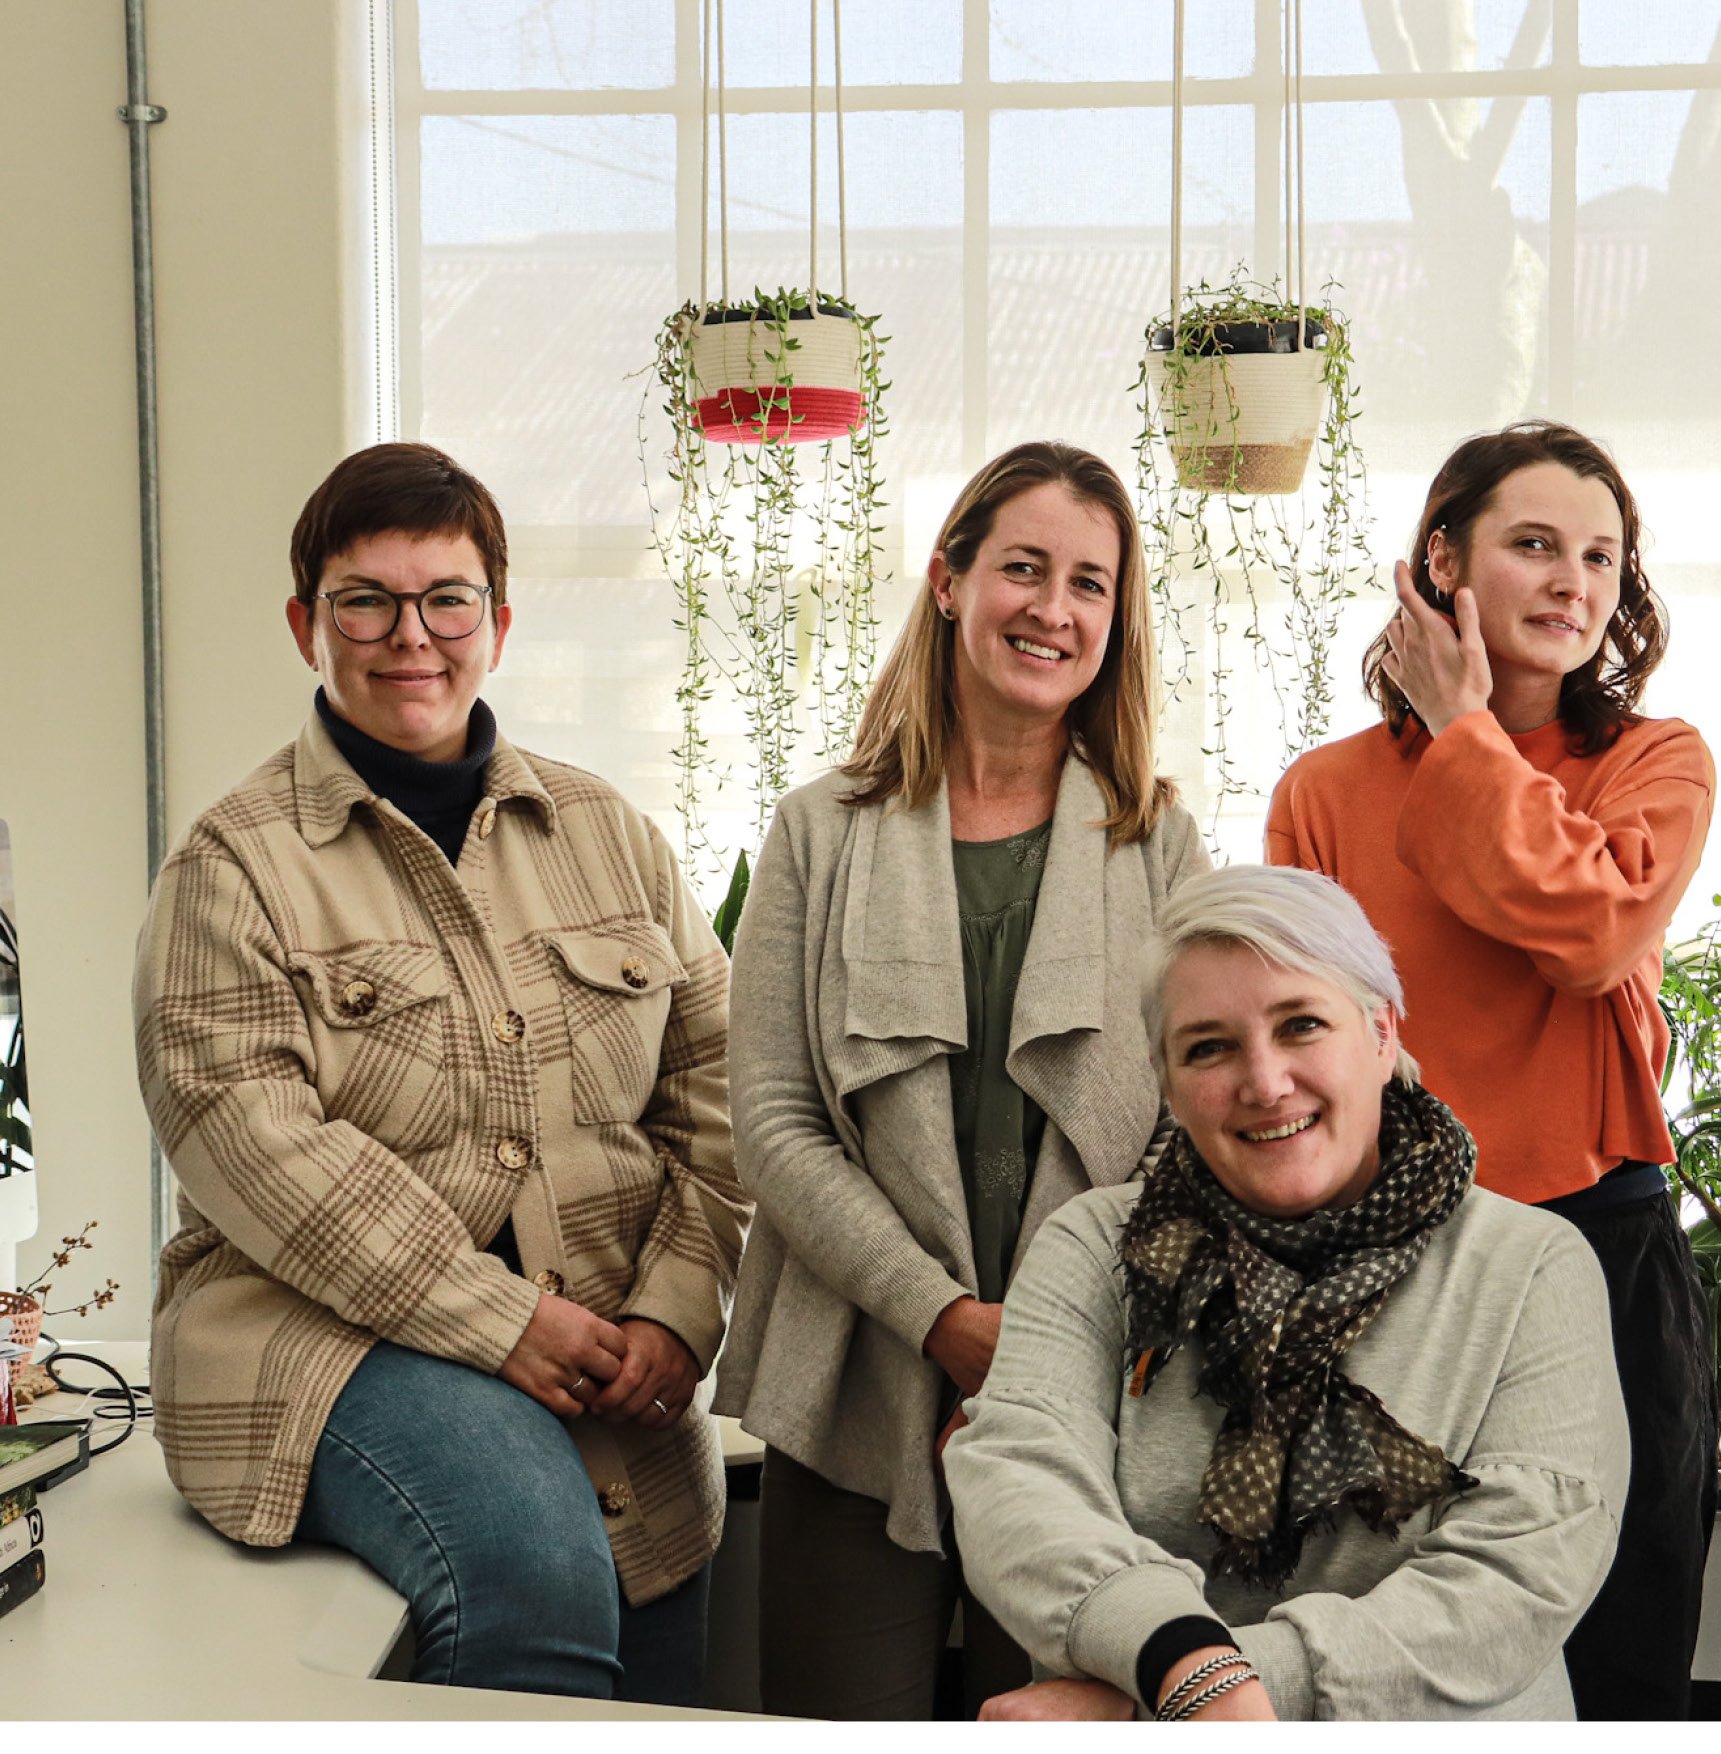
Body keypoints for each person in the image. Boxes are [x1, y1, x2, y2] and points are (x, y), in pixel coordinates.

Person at [132, 442, 745, 1702]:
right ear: (308, 623)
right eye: (366, 599)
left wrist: (678, 1312)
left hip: (609, 1354)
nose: (409, 634)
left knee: (665, 1595)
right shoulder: (230, 869)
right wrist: (504, 1322)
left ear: (497, 624)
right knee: (529, 1559)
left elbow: (724, 1093)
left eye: (446, 598)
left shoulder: (612, 836)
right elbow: (256, 1145)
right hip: (323, 1340)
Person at [714, 441, 1209, 1720]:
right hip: (855, 1381)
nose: (1052, 609)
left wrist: (1039, 1351)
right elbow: (769, 1123)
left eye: (1088, 583)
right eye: (1023, 569)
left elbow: (1194, 1126)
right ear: (948, 580)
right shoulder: (819, 830)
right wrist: (940, 1319)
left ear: (1117, 615)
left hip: (1090, 1405)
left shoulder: (1157, 843)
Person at [1264, 420, 1718, 1718]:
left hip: (1606, 1260)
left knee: (1624, 1655)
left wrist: (1464, 730)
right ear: (1441, 564)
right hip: (1390, 1272)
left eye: (1601, 555)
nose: (1577, 581)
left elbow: (1592, 933)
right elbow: (1301, 1058)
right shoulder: (1323, 791)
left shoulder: (1654, 758)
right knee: (1391, 1660)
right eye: (1534, 544)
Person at [947, 864, 1627, 1721]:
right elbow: (1020, 1481)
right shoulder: (1095, 1248)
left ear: (1382, 1034)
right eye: (1209, 1047)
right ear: (1164, 1079)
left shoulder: (1532, 1264)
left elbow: (1519, 1575)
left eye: (1301, 1025)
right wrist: (1181, 1664)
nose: (1264, 1083)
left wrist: (1199, 1694)